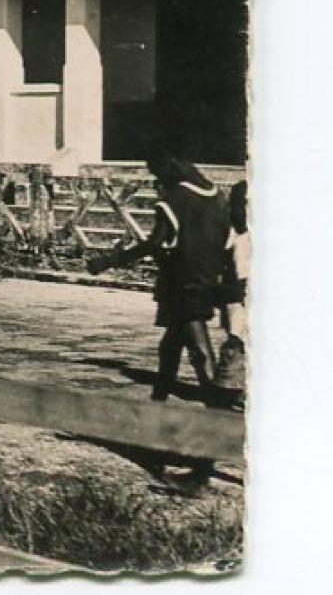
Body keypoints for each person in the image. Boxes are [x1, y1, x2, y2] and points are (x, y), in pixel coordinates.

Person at [88, 152, 230, 404]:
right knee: (172, 340)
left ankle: (213, 398)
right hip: (208, 275)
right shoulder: (216, 196)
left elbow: (153, 243)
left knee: (197, 344)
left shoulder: (174, 199)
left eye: (156, 172)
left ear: (169, 167)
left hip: (182, 280)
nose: (156, 179)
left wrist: (108, 261)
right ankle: (160, 396)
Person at [214, 180, 250, 406]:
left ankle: (233, 389)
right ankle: (230, 389)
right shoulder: (238, 237)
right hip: (237, 296)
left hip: (243, 295)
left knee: (239, 342)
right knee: (236, 340)